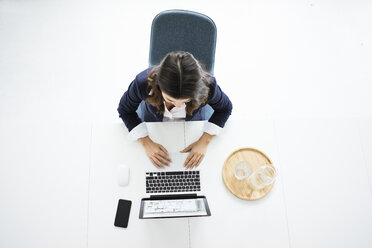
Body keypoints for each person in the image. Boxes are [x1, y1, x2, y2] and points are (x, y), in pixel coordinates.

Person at [117, 51, 232, 169]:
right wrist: (146, 142)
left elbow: (225, 109)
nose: (178, 106)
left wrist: (204, 141)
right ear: (158, 86)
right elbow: (125, 110)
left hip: (191, 128)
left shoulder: (209, 86)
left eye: (186, 101)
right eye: (170, 99)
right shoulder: (142, 83)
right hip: (154, 125)